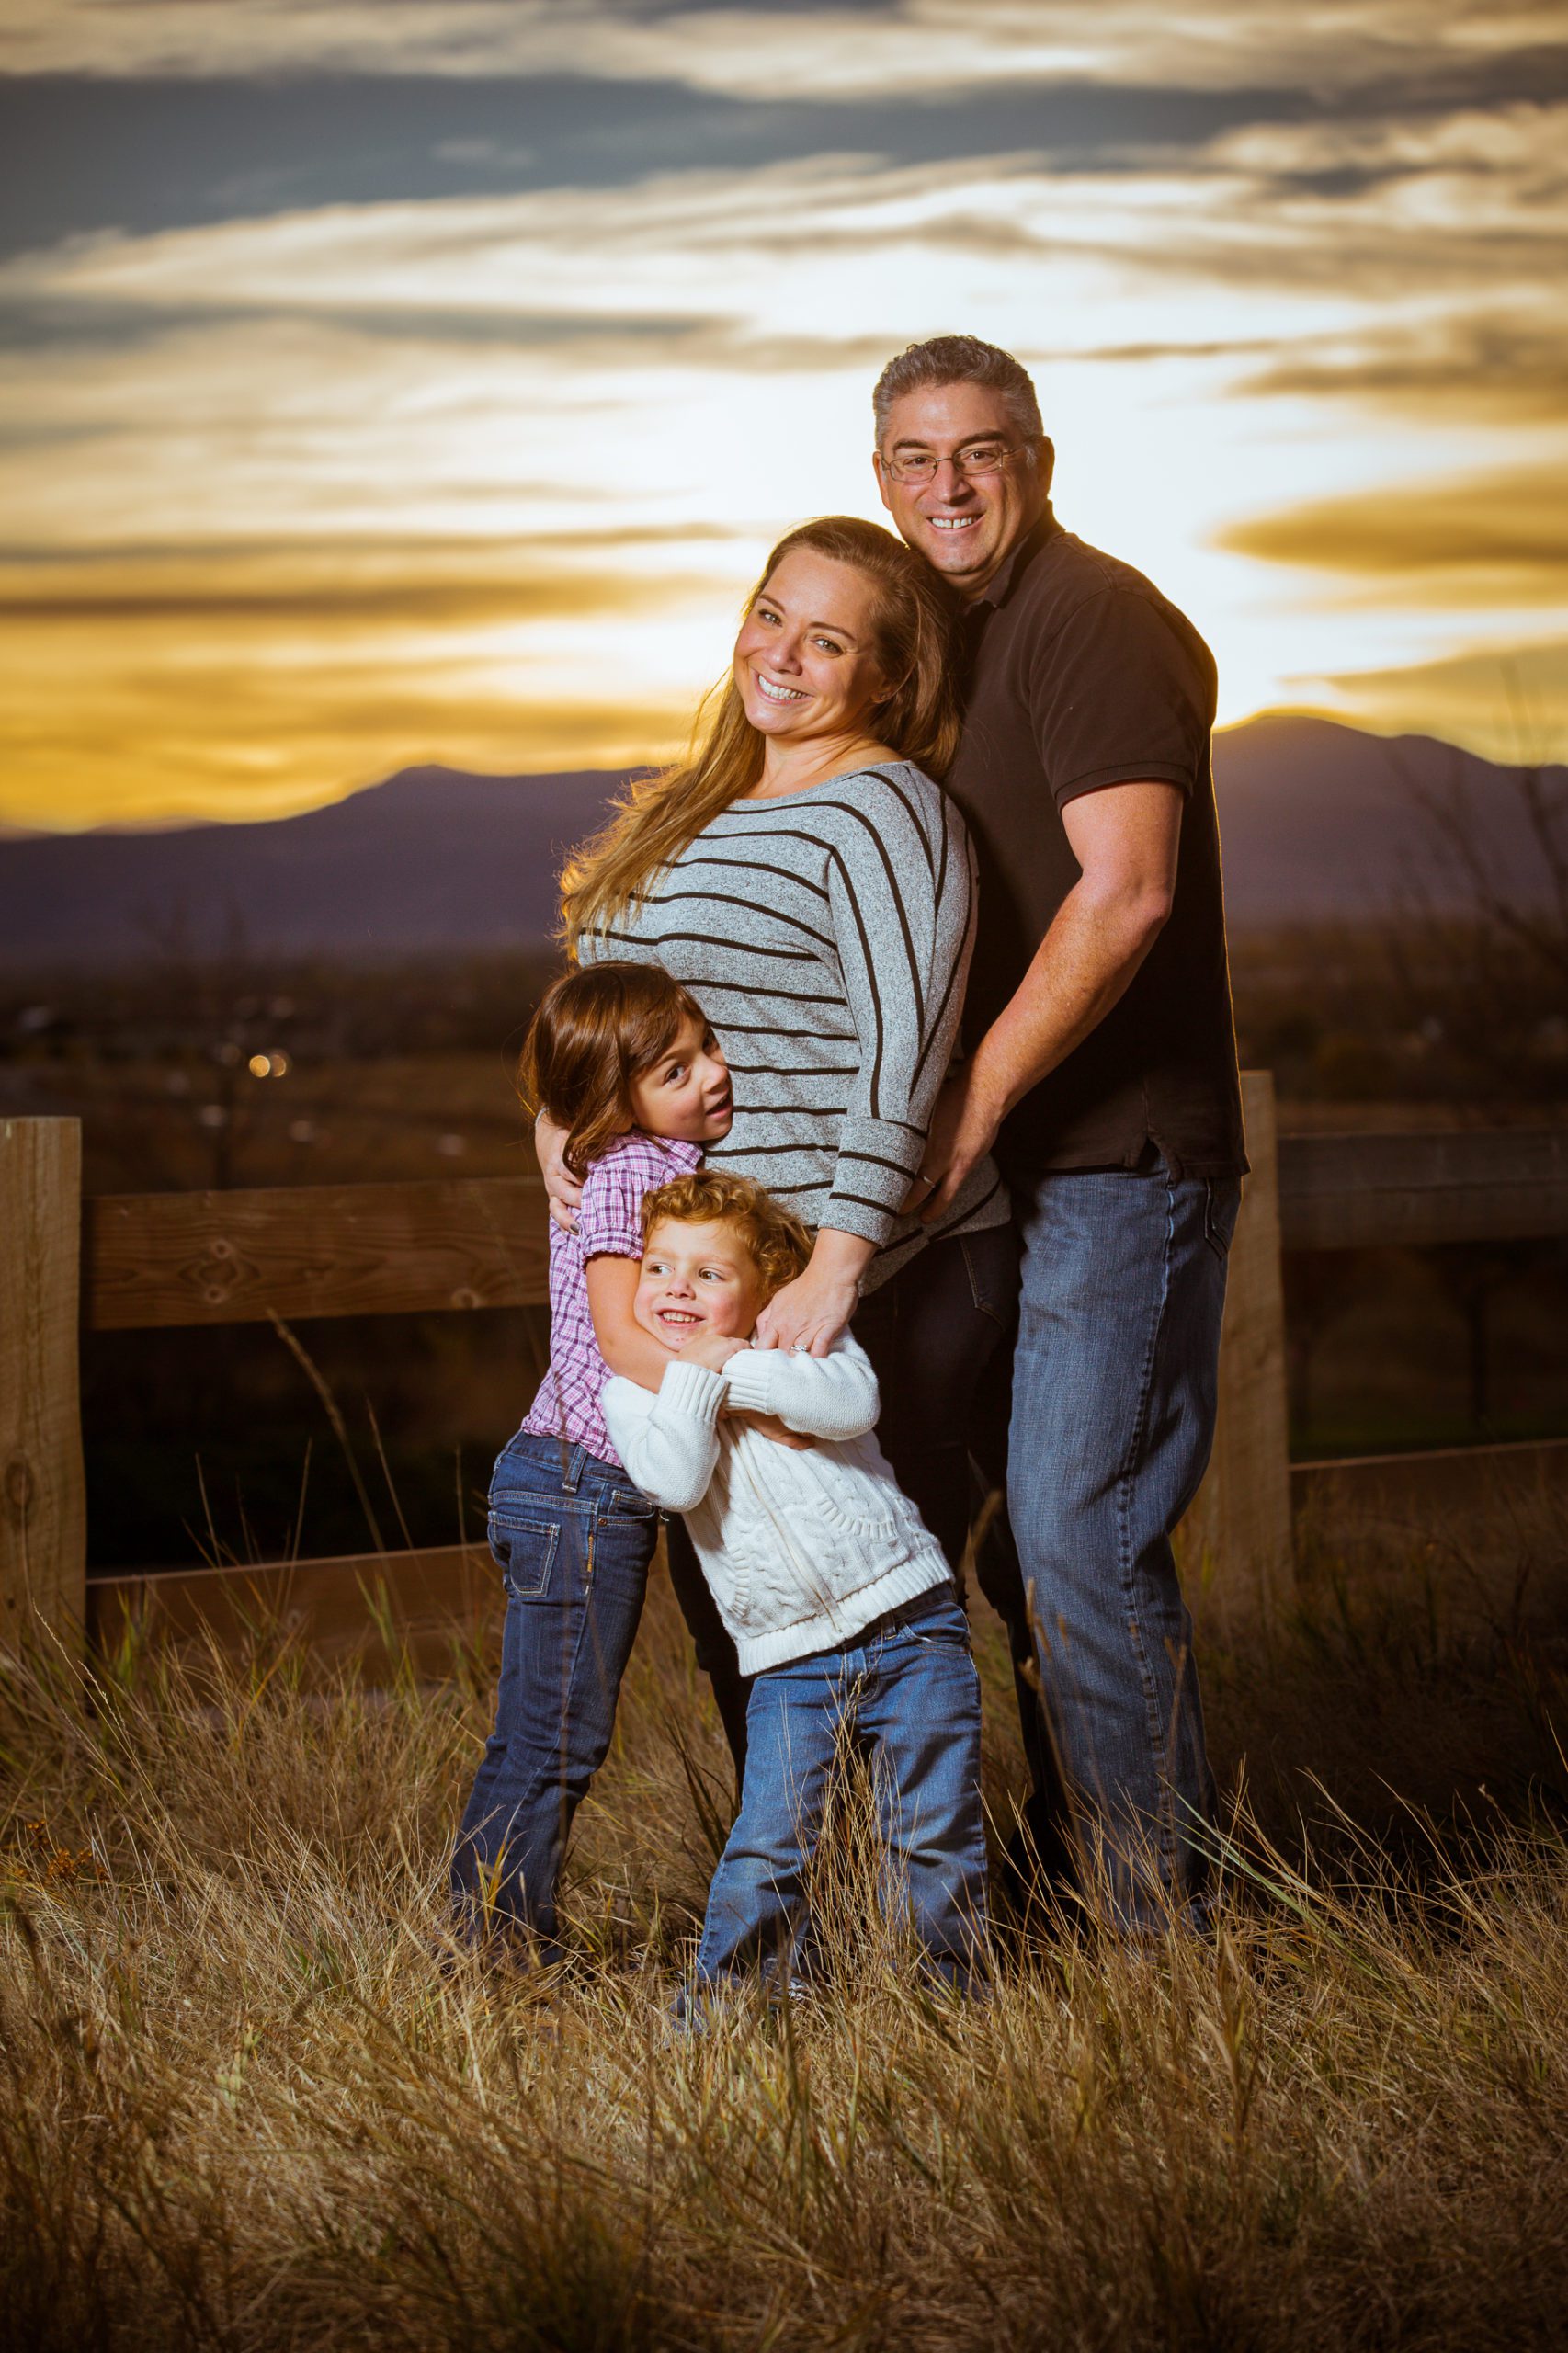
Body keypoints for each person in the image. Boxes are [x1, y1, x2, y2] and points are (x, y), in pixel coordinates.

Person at [872, 335, 1247, 1935]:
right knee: (1005, 1547)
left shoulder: (1091, 617)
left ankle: (1160, 1939)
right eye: (912, 457)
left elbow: (1131, 890)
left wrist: (971, 1104)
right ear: (878, 476)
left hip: (1113, 1158)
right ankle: (1056, 1868)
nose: (947, 486)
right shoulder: (946, 640)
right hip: (1005, 1177)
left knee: (1082, 1539)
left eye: (980, 450)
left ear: (1039, 455)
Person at [543, 514, 1017, 1774]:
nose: (783, 657)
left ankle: (924, 1906)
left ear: (886, 678)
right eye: (770, 616)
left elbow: (906, 1047)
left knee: (869, 1595)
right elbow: (604, 1005)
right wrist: (556, 1118)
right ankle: (809, 1897)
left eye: (826, 640)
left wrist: (840, 1264)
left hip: (873, 1273)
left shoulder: (881, 809)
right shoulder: (691, 806)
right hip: (717, 1278)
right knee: (742, 1603)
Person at [601, 1169, 988, 1999]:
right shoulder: (634, 1395)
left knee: (934, 1830)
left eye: (709, 1274)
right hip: (791, 1658)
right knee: (773, 1838)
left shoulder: (799, 1335)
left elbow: (850, 1406)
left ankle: (948, 2001)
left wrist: (726, 1367)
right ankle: (731, 2009)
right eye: (660, 1267)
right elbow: (673, 1478)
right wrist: (695, 1377)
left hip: (911, 1615)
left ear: (763, 1286)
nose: (677, 1289)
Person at [449, 961, 738, 1950]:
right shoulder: (632, 1174)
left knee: (555, 1734)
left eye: (706, 1046)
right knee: (552, 1738)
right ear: (619, 1104)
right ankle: (490, 1949)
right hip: (577, 1481)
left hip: (585, 1482)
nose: (712, 1073)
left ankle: (494, 1934)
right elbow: (622, 1341)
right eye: (676, 1069)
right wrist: (746, 1384)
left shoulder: (661, 1164)